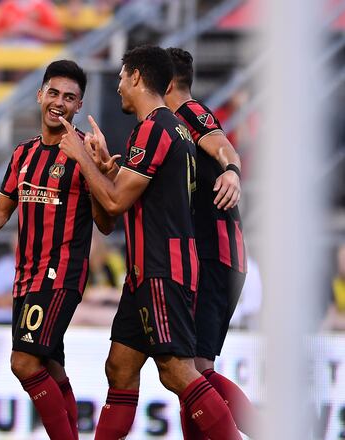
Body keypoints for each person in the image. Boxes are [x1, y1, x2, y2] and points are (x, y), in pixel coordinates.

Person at [57, 45, 240, 439]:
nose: (119, 86)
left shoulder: (156, 127)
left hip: (163, 267)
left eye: (122, 77)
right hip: (145, 271)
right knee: (120, 367)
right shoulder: (167, 129)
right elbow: (114, 209)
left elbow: (115, 201)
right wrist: (105, 165)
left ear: (137, 77)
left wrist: (82, 159)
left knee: (178, 370)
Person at [0, 59, 115, 440]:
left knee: (24, 362)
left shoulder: (85, 152)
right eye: (54, 93)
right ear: (40, 95)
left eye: (70, 98)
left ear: (79, 106)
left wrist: (98, 168)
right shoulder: (24, 154)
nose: (59, 102)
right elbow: (1, 208)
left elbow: (108, 222)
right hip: (25, 276)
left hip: (59, 274)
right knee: (51, 367)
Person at [165, 46, 257, 437]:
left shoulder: (190, 113)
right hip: (212, 258)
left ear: (165, 83)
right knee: (191, 369)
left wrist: (232, 170)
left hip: (214, 257)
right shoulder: (170, 127)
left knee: (194, 369)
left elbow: (223, 144)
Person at [0, 0, 65, 46]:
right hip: (9, 47)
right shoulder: (5, 5)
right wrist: (12, 31)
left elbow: (57, 36)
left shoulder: (44, 6)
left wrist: (32, 29)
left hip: (38, 51)